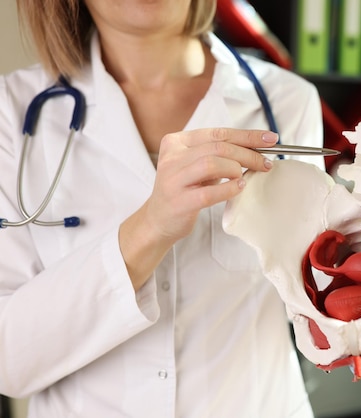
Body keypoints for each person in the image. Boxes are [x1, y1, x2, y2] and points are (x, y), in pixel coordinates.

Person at [0, 0, 325, 416]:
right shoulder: (14, 112)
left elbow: (316, 306)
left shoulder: (287, 103)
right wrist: (150, 228)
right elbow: (10, 363)